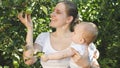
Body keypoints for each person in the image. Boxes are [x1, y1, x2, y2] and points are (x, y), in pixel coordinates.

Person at [18, 0, 100, 68]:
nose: (51, 14)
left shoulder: (81, 40)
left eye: (58, 12)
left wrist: (86, 65)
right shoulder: (43, 37)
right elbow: (29, 60)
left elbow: (95, 66)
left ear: (69, 19)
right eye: (53, 11)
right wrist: (29, 28)